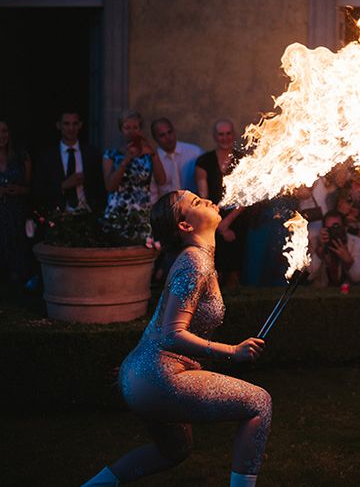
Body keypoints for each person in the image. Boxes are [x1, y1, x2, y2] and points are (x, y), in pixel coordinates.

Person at [80, 190, 271, 487]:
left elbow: (160, 325)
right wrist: (233, 351)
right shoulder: (195, 261)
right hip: (158, 376)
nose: (207, 200)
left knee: (174, 451)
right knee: (259, 402)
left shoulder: (196, 259)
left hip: (141, 374)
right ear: (184, 226)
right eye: (195, 203)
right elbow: (172, 333)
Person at [195, 119, 247, 288]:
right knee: (214, 273)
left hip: (236, 222)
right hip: (211, 222)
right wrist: (218, 223)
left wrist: (227, 223)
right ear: (214, 136)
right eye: (221, 134)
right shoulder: (204, 161)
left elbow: (247, 196)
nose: (225, 138)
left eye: (228, 133)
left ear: (234, 135)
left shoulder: (243, 161)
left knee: (235, 272)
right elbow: (204, 197)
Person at [102, 109, 166, 243]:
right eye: (127, 128)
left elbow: (161, 180)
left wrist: (153, 154)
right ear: (121, 129)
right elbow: (110, 186)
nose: (131, 132)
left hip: (142, 213)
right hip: (118, 212)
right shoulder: (111, 154)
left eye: (135, 127)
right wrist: (125, 161)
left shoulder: (149, 154)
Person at [33, 110, 105, 214]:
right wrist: (63, 185)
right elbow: (38, 191)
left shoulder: (92, 154)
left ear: (80, 125)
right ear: (59, 125)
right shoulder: (47, 157)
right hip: (57, 217)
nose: (71, 128)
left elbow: (101, 187)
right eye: (66, 124)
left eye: (75, 124)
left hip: (87, 215)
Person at [0, 119, 32, 289]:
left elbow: (32, 188)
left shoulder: (21, 157)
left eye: (4, 131)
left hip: (17, 212)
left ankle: (18, 284)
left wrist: (20, 190)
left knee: (17, 250)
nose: (1, 135)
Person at [149, 118, 203, 204]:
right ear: (155, 139)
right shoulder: (153, 159)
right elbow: (152, 191)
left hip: (193, 205)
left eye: (170, 132)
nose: (168, 138)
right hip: (166, 208)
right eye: (162, 135)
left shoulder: (195, 152)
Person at [308, 209, 360, 287]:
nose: (333, 231)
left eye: (336, 227)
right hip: (322, 293)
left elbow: (359, 279)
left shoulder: (356, 243)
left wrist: (349, 261)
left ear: (345, 228)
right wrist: (319, 254)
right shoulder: (316, 241)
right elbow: (309, 277)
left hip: (347, 293)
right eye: (329, 229)